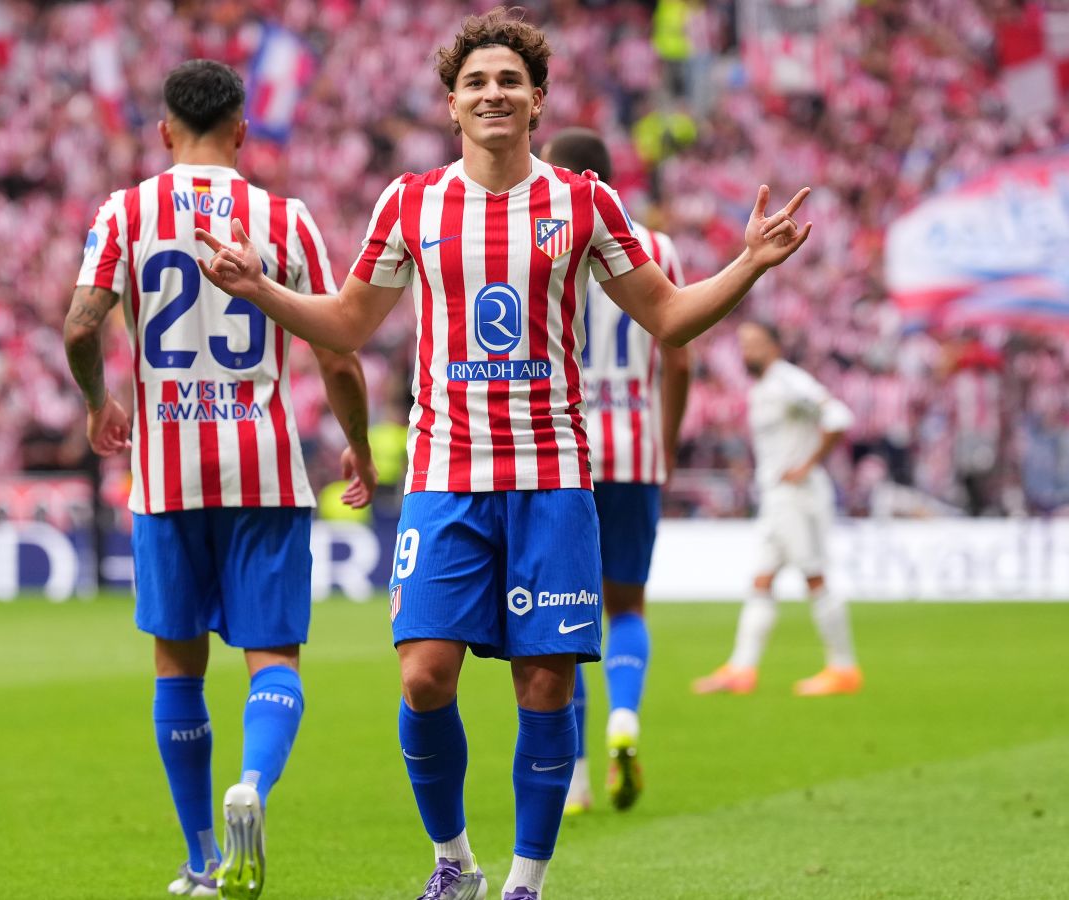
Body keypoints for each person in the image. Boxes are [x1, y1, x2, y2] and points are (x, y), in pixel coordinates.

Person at [195, 8, 811, 898]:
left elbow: (670, 317)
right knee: (423, 678)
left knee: (545, 689)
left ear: (537, 100)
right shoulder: (411, 202)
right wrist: (261, 291)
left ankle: (527, 879)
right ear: (452, 103)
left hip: (552, 478)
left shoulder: (583, 202)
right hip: (446, 475)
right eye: (476, 82)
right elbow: (348, 323)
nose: (493, 93)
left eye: (510, 81)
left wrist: (748, 263)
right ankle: (454, 862)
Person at [62, 59, 376, 899]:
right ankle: (254, 786)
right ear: (243, 130)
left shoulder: (126, 211)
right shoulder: (286, 219)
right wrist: (358, 445)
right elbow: (337, 353)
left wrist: (98, 403)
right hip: (263, 470)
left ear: (165, 131)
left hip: (166, 476)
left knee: (177, 664)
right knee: (273, 659)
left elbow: (80, 327)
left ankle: (201, 858)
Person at [540, 127, 690, 817]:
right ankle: (623, 717)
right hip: (633, 448)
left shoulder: (544, 237)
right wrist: (666, 441)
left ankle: (572, 776)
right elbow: (678, 356)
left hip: (562, 451)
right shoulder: (657, 247)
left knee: (561, 616)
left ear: (568, 174)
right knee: (626, 605)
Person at [692, 321, 860, 698]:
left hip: (798, 496)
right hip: (776, 498)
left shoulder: (788, 381)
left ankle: (843, 668)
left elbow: (838, 417)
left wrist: (807, 464)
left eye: (755, 343)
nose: (747, 351)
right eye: (743, 344)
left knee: (813, 576)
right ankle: (741, 669)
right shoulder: (764, 386)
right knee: (761, 581)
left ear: (775, 345)